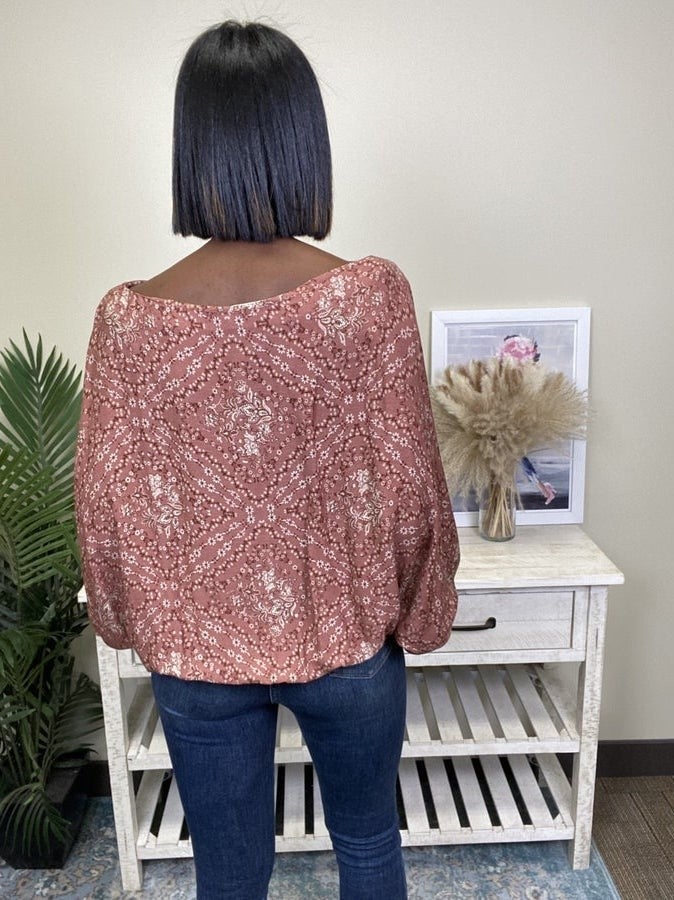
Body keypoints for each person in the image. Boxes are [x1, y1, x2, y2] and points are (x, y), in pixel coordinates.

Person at [75, 19, 460, 900]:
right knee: (369, 844)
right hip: (346, 646)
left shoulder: (127, 320)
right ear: (302, 143)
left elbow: (101, 500)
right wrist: (420, 611)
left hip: (196, 658)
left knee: (228, 873)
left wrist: (128, 622)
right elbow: (411, 484)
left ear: (192, 150)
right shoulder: (368, 296)